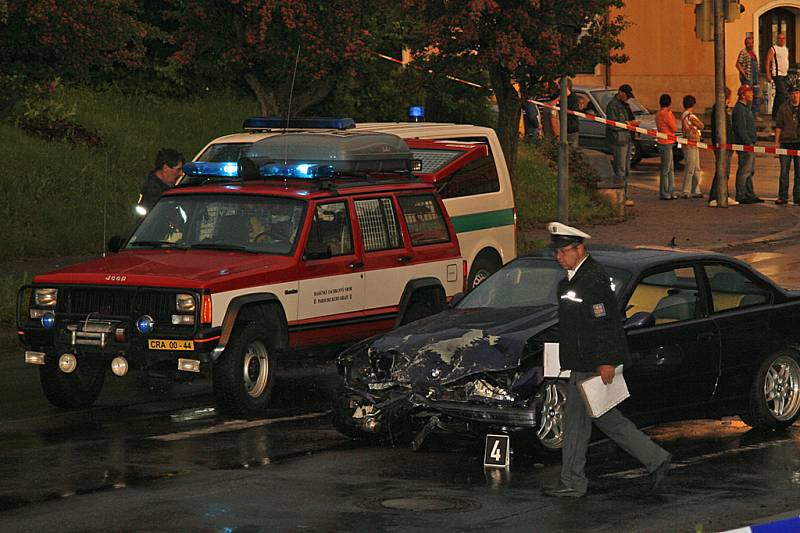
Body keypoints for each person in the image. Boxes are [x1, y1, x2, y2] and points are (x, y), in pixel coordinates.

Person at [541, 222, 672, 499]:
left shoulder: (593, 280)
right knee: (593, 420)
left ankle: (577, 481)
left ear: (579, 249)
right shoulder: (572, 280)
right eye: (556, 252)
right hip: (580, 361)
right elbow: (572, 324)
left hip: (591, 363)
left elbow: (605, 324)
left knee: (595, 420)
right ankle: (576, 480)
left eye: (563, 251)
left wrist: (606, 361)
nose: (558, 257)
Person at [605, 84, 639, 207]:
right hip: (619, 140)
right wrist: (628, 123)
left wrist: (633, 124)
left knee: (626, 170)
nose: (627, 98)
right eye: (626, 96)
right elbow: (612, 124)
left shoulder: (625, 105)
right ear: (621, 93)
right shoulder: (613, 106)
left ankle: (624, 196)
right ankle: (620, 198)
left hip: (627, 139)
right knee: (620, 170)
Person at [731, 85, 763, 204]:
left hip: (749, 143)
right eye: (749, 93)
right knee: (744, 170)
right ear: (743, 95)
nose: (752, 95)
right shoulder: (739, 109)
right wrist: (748, 142)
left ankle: (749, 193)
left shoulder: (745, 108)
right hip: (745, 145)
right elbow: (741, 128)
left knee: (749, 171)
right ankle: (741, 194)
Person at [708, 87, 739, 207]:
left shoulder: (723, 110)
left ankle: (724, 194)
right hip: (722, 146)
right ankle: (715, 196)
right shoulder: (718, 111)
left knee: (725, 171)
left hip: (727, 145)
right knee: (721, 171)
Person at [136, 148, 186, 216]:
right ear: (165, 168)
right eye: (178, 170)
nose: (182, 173)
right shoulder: (153, 193)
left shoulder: (166, 187)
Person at [774, 84, 800, 205]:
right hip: (786, 142)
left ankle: (798, 196)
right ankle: (782, 195)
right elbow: (779, 126)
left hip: (798, 142)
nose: (794, 95)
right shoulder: (783, 108)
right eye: (792, 93)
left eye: (797, 93)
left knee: (799, 172)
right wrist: (776, 142)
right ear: (789, 95)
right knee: (784, 171)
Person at [680, 95, 704, 198]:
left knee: (692, 166)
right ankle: (690, 190)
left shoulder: (683, 115)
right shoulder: (690, 115)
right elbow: (701, 125)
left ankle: (690, 190)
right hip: (692, 143)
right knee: (693, 167)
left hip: (688, 142)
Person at [655, 94, 677, 200]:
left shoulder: (658, 114)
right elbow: (674, 128)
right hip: (667, 142)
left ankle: (669, 190)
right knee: (667, 169)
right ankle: (666, 191)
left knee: (667, 167)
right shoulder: (667, 114)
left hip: (662, 141)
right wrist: (671, 114)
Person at [766, 33, 790, 120]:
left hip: (784, 74)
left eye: (783, 38)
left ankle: (775, 114)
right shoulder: (773, 49)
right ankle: (780, 114)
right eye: (780, 38)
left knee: (780, 94)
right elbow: (768, 61)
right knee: (782, 93)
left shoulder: (785, 49)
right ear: (777, 39)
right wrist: (768, 74)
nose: (782, 40)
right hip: (777, 74)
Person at [736, 35, 760, 116]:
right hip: (748, 77)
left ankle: (754, 114)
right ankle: (746, 113)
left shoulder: (753, 53)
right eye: (748, 43)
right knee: (746, 95)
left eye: (751, 43)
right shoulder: (743, 52)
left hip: (755, 77)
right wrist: (744, 74)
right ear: (745, 44)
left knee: (755, 94)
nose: (750, 45)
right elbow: (738, 64)